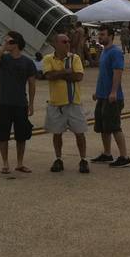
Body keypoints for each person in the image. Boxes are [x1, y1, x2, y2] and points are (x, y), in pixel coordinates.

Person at [0, 31, 36, 174]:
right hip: (4, 102)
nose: (7, 43)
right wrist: (3, 47)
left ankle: (20, 163)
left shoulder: (28, 62)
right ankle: (5, 163)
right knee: (2, 134)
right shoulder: (4, 58)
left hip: (20, 102)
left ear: (16, 43)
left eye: (9, 41)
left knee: (21, 135)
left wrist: (31, 104)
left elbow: (32, 84)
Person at [42, 33, 88, 173]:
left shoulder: (75, 58)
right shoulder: (48, 58)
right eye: (64, 41)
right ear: (55, 44)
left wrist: (59, 74)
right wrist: (66, 72)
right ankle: (58, 158)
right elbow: (48, 76)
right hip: (56, 103)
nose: (68, 43)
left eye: (68, 41)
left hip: (74, 102)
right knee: (57, 133)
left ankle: (83, 159)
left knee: (80, 133)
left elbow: (78, 76)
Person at [91, 25, 130, 168]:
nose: (100, 37)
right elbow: (102, 75)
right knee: (103, 126)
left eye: (102, 34)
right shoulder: (104, 52)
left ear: (111, 36)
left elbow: (117, 72)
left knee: (114, 127)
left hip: (112, 97)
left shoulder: (115, 52)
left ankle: (124, 156)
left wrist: (114, 92)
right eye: (99, 34)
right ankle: (107, 154)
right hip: (102, 96)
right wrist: (97, 92)